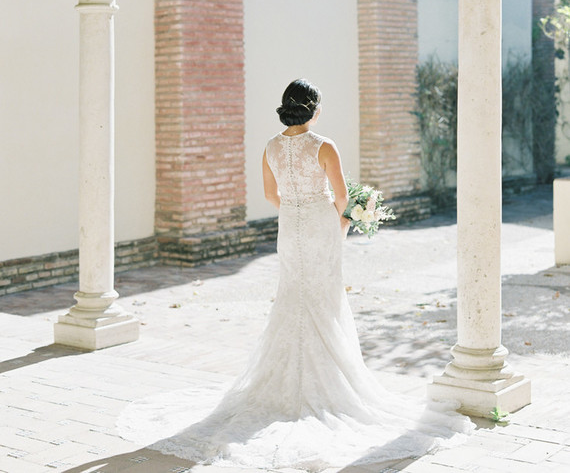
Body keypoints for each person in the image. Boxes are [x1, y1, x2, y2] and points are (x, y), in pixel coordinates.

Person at [118, 79, 472, 470]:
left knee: (292, 296)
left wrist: (298, 205)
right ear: (314, 109)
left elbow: (272, 196)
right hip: (321, 226)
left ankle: (280, 386)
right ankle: (327, 387)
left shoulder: (270, 146)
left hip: (290, 227)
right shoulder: (324, 145)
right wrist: (344, 225)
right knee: (324, 299)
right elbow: (341, 198)